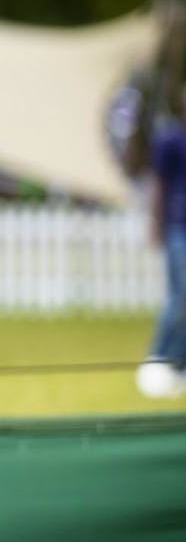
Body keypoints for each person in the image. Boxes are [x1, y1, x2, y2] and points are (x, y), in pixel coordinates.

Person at [137, 87, 186, 399]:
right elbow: (159, 186)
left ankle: (179, 365)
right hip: (179, 228)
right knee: (180, 295)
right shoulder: (171, 140)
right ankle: (158, 358)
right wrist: (156, 226)